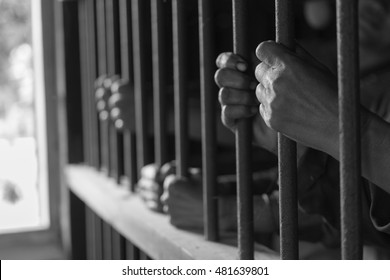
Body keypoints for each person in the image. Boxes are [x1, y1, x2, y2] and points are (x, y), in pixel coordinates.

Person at [216, 0, 390, 253]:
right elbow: (375, 205)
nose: (377, 7)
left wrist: (337, 125)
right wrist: (297, 148)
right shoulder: (309, 56)